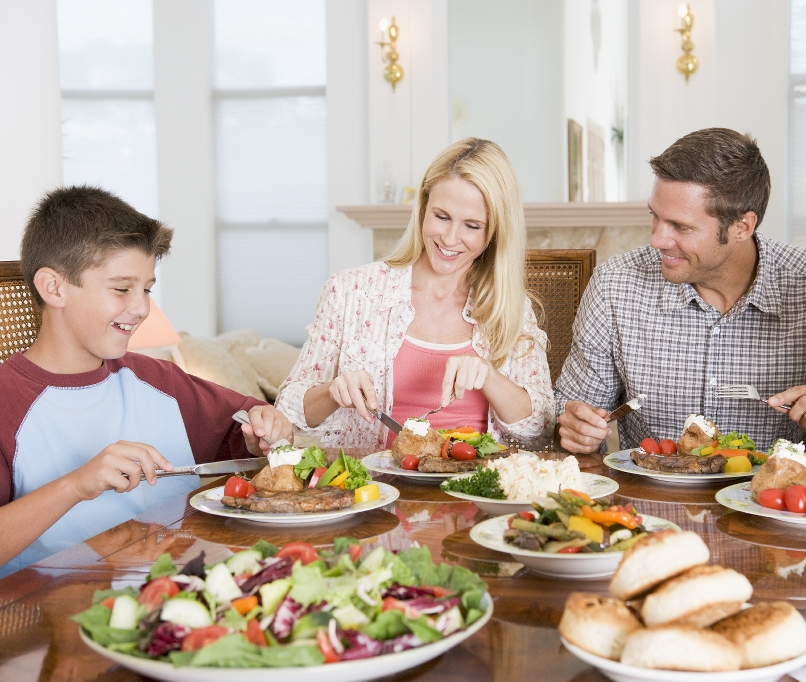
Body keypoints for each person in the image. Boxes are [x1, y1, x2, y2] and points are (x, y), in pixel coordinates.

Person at [0, 186, 293, 577]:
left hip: (186, 591)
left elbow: (246, 426)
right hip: (56, 617)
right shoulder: (8, 402)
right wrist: (76, 485)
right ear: (54, 287)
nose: (141, 308)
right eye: (122, 289)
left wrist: (261, 431)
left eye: (147, 289)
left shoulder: (158, 380)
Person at [555, 128, 806, 454]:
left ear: (741, 226)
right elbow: (567, 411)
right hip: (652, 510)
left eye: (680, 226)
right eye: (655, 216)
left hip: (777, 510)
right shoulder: (615, 285)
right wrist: (573, 427)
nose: (657, 239)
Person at [277, 138, 554, 449]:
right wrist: (331, 392)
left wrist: (490, 376)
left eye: (472, 226)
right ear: (423, 208)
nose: (450, 238)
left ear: (494, 232)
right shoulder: (350, 292)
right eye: (442, 216)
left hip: (476, 489)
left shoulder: (512, 310)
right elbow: (288, 410)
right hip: (375, 489)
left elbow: (541, 428)